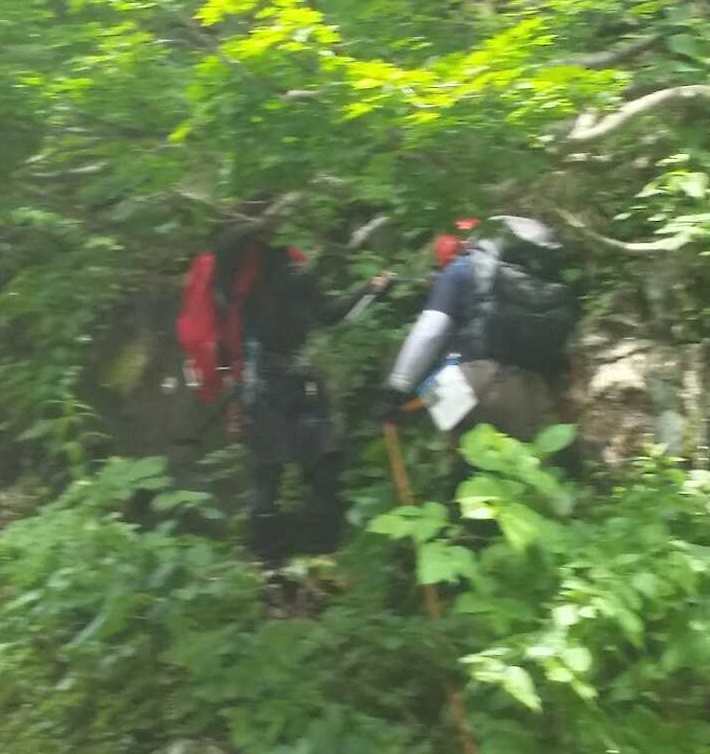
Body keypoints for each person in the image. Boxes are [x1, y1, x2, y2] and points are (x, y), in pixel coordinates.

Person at [186, 222, 391, 562]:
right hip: (291, 384)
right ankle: (318, 549)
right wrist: (372, 289)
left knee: (271, 476)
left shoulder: (237, 283)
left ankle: (272, 560)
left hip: (261, 389)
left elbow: (223, 345)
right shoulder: (289, 274)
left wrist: (229, 382)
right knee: (318, 465)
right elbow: (330, 315)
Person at [377, 215, 577, 441]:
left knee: (437, 404)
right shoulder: (557, 288)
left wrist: (396, 391)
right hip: (531, 395)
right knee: (517, 459)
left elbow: (430, 332)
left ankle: (433, 442)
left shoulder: (464, 267)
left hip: (468, 383)